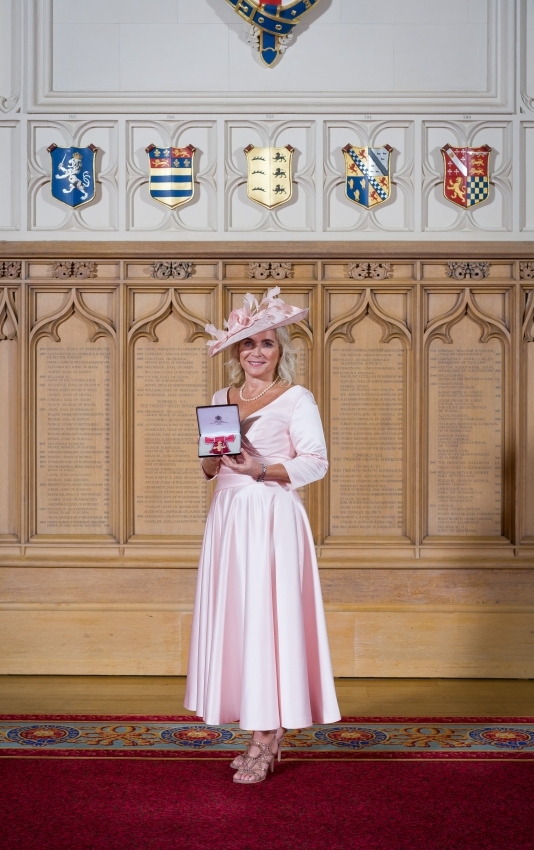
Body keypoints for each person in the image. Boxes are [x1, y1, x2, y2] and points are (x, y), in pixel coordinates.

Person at [184, 287, 340, 784]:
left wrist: (261, 468)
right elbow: (211, 468)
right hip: (228, 516)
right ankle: (257, 725)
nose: (256, 352)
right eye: (248, 345)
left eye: (267, 344)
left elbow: (315, 462)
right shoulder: (218, 399)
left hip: (271, 514)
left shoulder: (297, 397)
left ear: (281, 351)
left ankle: (266, 736)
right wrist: (212, 461)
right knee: (240, 619)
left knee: (268, 620)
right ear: (236, 353)